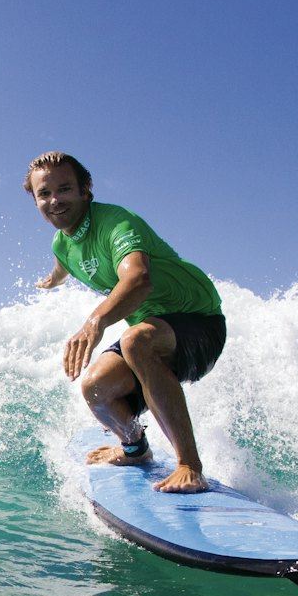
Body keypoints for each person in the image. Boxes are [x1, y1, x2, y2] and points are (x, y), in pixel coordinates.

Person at [26, 151, 226, 494]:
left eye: (65, 189)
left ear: (85, 190)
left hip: (199, 321)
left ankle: (190, 466)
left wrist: (96, 322)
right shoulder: (61, 244)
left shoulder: (116, 223)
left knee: (136, 341)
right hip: (154, 330)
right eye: (44, 193)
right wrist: (52, 280)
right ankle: (135, 448)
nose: (55, 200)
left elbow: (139, 279)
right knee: (95, 388)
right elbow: (63, 263)